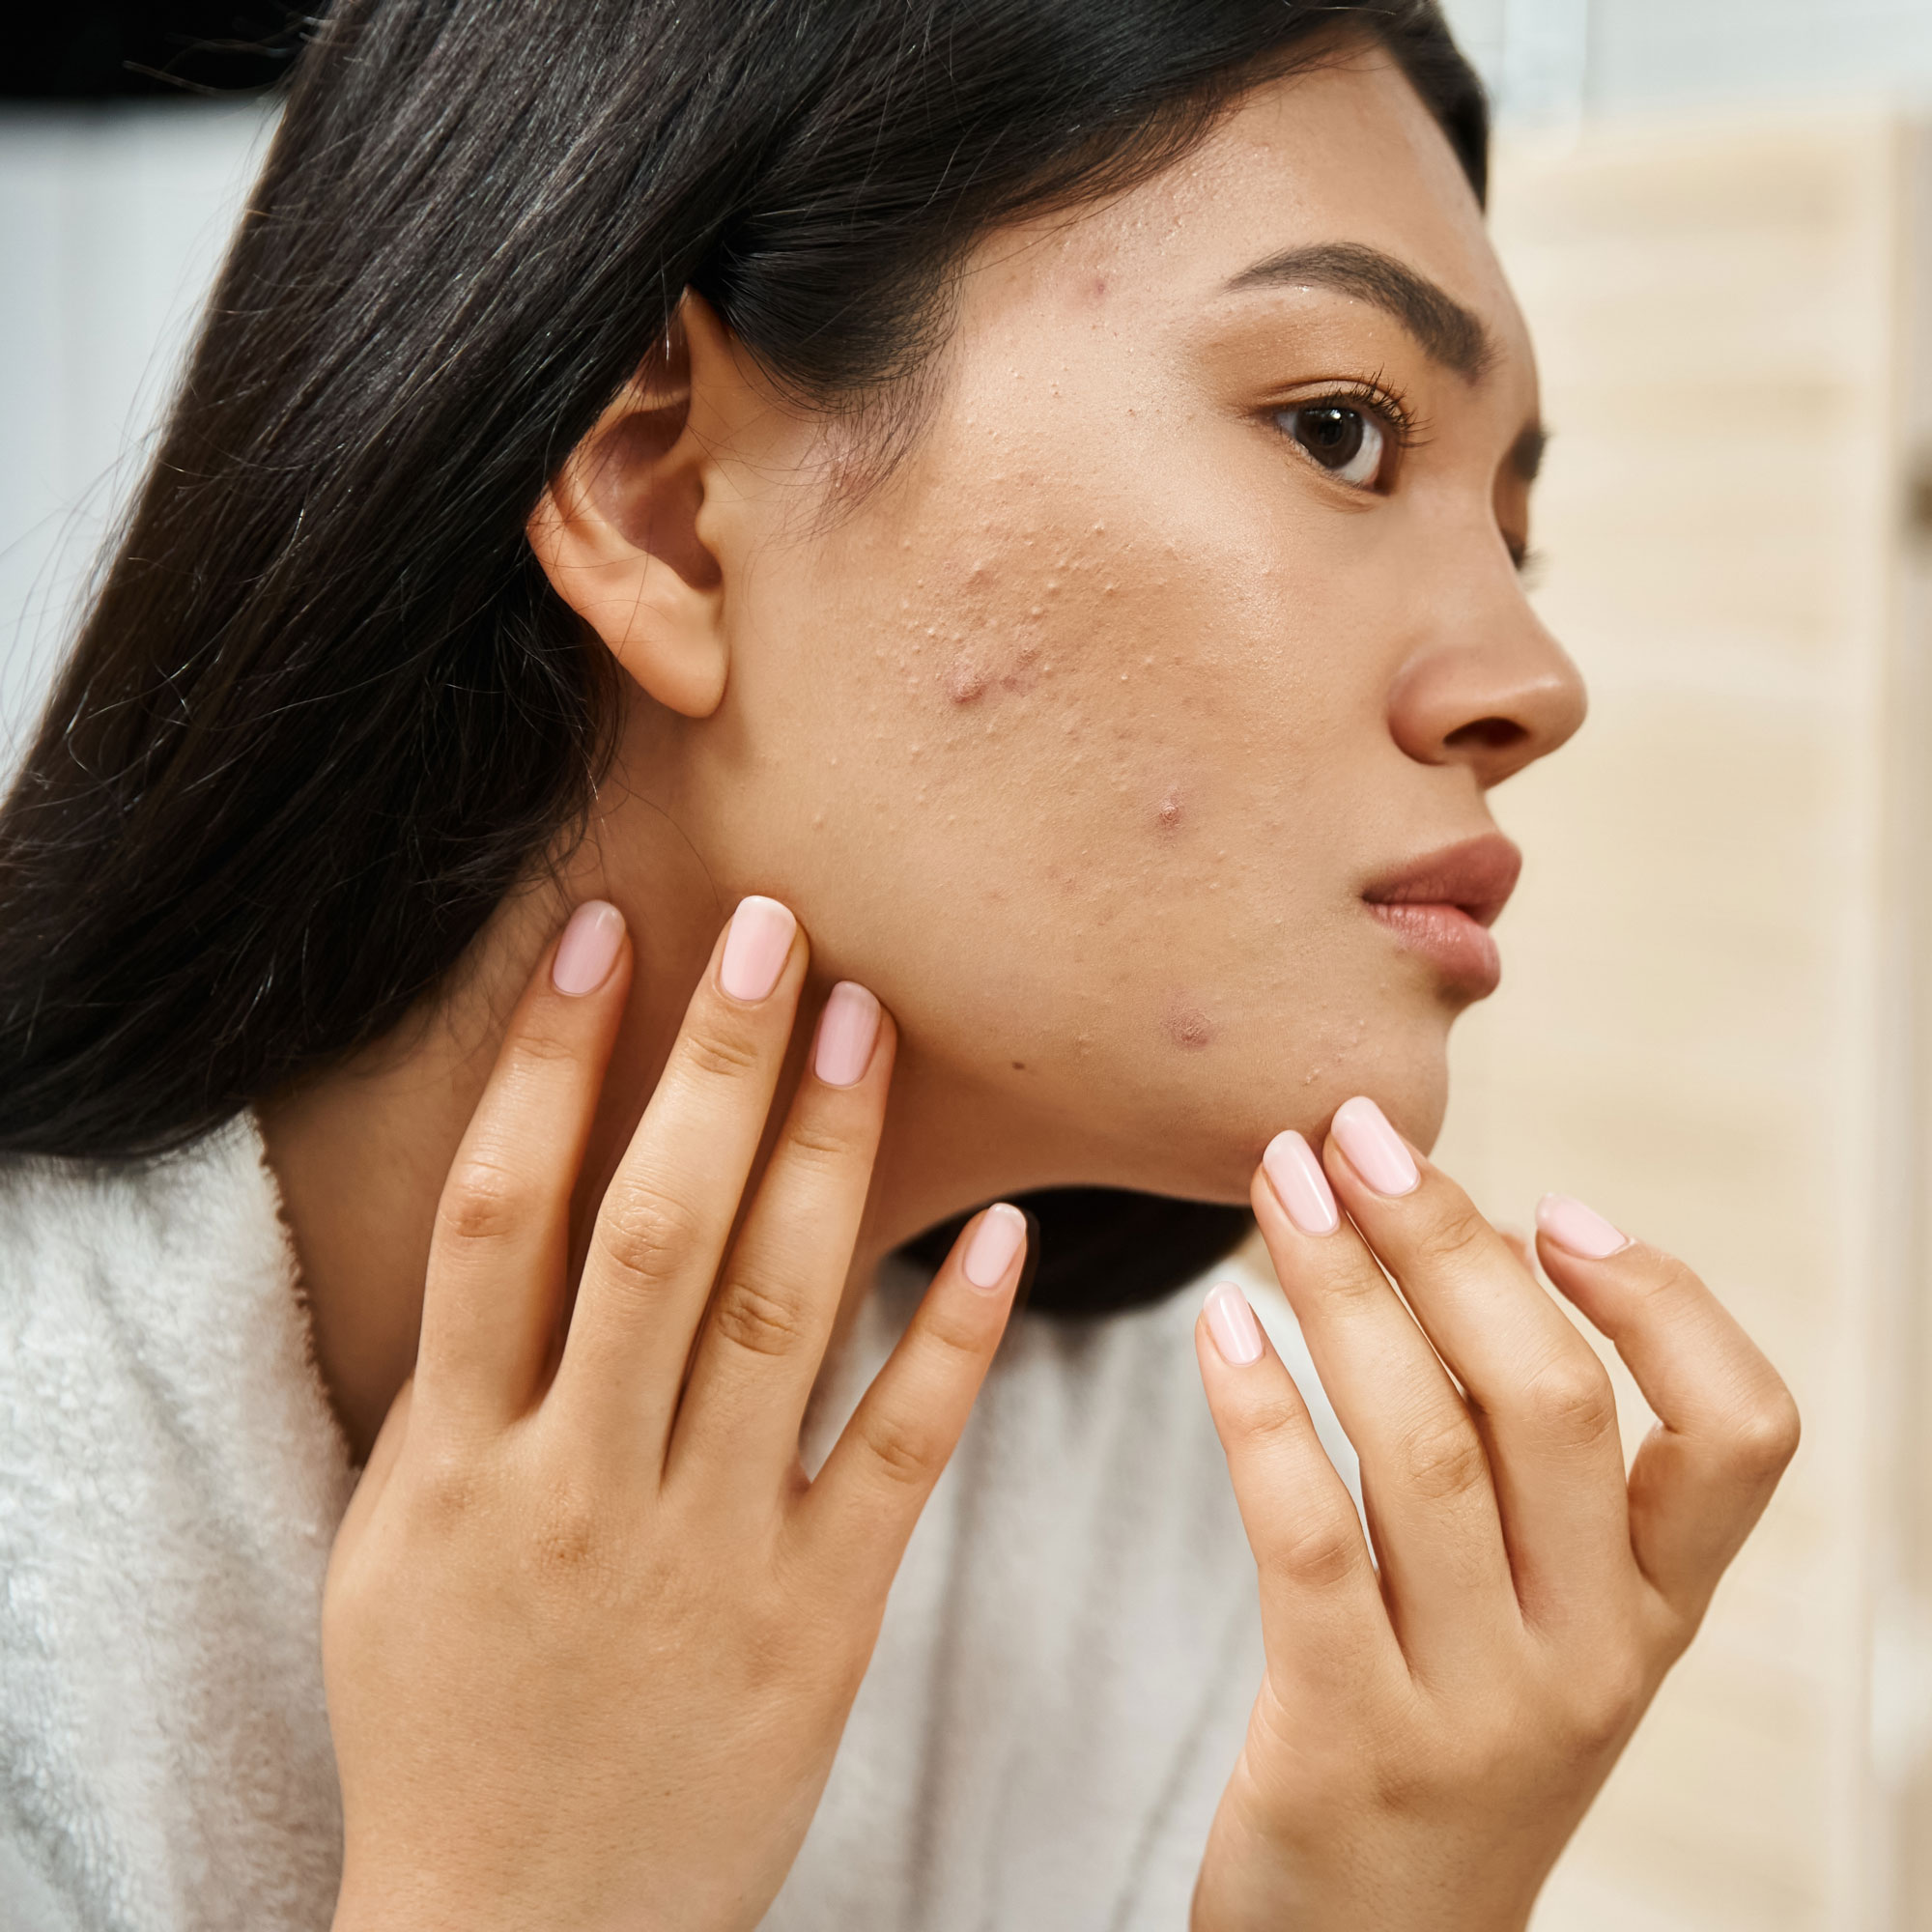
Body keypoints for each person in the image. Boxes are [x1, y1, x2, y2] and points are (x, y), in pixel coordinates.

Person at [0, 2, 1800, 1927]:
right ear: (664, 502)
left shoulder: (1176, 1549)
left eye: (1517, 531)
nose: (1531, 682)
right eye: (1339, 432)